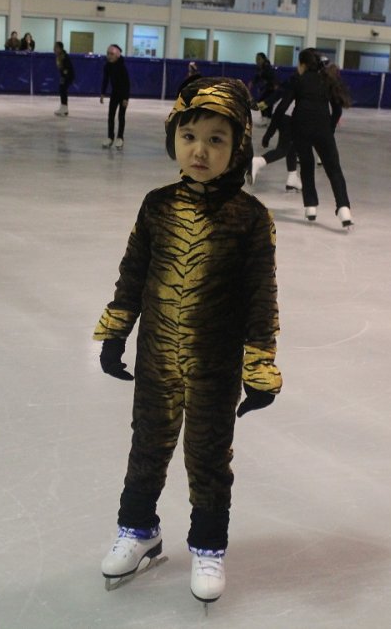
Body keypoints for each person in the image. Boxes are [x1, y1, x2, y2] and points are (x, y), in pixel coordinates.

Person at [94, 77, 281, 605]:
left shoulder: (250, 219)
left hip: (214, 364)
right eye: (189, 135)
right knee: (146, 446)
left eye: (216, 139)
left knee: (207, 456)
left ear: (238, 146)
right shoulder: (156, 206)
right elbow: (133, 274)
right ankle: (138, 530)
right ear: (173, 138)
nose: (200, 150)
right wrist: (116, 331)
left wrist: (259, 365)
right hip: (157, 356)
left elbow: (261, 298)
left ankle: (208, 545)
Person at [274, 48, 353, 228]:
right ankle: (344, 208)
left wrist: (270, 132)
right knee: (334, 169)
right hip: (322, 127)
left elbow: (282, 107)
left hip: (300, 127)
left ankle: (310, 207)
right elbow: (337, 110)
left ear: (303, 64)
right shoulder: (327, 80)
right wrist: (330, 128)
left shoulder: (298, 80)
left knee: (307, 165)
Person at [250, 75, 300, 192]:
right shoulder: (301, 86)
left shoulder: (287, 85)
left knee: (292, 147)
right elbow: (279, 108)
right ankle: (259, 161)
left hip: (284, 118)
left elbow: (272, 103)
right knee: (283, 149)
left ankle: (292, 177)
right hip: (289, 118)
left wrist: (268, 134)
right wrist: (268, 134)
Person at [100, 44, 130, 149]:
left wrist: (126, 98)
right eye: (108, 54)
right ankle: (110, 137)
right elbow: (105, 80)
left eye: (111, 54)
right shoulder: (107, 66)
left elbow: (127, 83)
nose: (109, 56)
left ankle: (120, 138)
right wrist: (102, 93)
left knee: (121, 116)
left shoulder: (122, 67)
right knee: (111, 116)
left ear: (117, 55)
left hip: (123, 95)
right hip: (114, 94)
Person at [249, 52, 277, 125]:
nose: (257, 61)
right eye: (256, 59)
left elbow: (271, 78)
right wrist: (253, 82)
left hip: (272, 88)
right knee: (265, 103)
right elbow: (258, 76)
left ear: (263, 59)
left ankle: (266, 118)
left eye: (259, 59)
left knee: (264, 102)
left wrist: (273, 86)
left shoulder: (267, 67)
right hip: (268, 88)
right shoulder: (261, 67)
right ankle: (267, 118)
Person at [54, 41, 74, 117]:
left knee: (63, 90)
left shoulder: (64, 56)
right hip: (65, 75)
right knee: (62, 90)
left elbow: (67, 67)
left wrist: (65, 76)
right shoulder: (59, 55)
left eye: (56, 47)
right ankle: (63, 107)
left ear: (60, 48)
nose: (54, 49)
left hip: (68, 76)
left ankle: (64, 108)